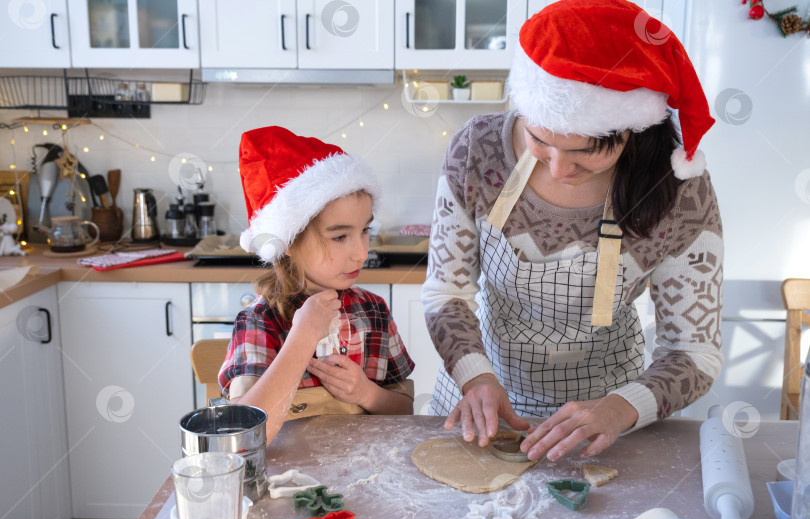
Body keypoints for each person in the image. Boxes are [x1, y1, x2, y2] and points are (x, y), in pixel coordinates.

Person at [422, 0, 722, 462]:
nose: (559, 168)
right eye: (538, 140)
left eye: (584, 152)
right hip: (481, 405)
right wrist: (475, 376)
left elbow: (693, 352)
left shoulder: (679, 188)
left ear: (632, 133)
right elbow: (447, 292)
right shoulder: (477, 150)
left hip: (606, 420)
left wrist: (621, 409)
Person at [219, 126, 415, 443]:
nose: (362, 252)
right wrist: (303, 335)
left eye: (365, 231)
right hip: (288, 484)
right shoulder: (259, 320)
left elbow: (404, 411)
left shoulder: (373, 311)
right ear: (290, 241)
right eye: (340, 237)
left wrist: (366, 394)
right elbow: (243, 436)